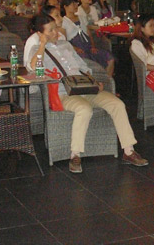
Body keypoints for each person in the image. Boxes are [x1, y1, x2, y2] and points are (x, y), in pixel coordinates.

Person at [24, 13, 147, 171]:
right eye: (50, 31)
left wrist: (93, 81)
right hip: (63, 93)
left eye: (55, 28)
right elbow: (33, 67)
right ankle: (75, 155)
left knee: (117, 104)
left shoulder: (65, 45)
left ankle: (129, 151)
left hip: (85, 88)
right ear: (40, 34)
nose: (56, 33)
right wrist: (42, 44)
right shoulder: (37, 49)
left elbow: (83, 66)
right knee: (84, 108)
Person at [61, 0, 114, 77]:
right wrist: (75, 48)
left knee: (110, 58)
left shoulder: (81, 17)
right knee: (87, 63)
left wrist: (92, 46)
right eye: (73, 4)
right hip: (77, 50)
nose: (76, 5)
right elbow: (64, 41)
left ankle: (107, 79)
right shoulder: (63, 22)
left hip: (88, 47)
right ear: (65, 6)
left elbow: (88, 33)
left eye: (76, 3)